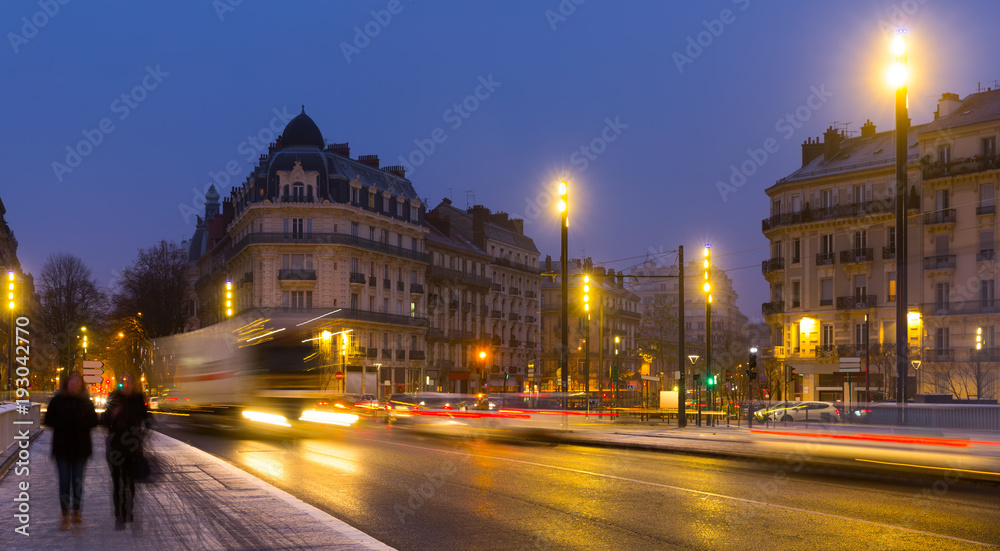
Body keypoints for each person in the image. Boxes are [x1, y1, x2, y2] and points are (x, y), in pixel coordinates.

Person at [43, 372, 99, 531]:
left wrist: (81, 422)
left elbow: (94, 421)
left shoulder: (86, 402)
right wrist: (64, 423)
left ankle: (76, 510)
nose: (74, 385)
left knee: (78, 481)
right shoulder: (57, 401)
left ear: (81, 385)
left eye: (77, 382)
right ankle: (65, 513)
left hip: (81, 448)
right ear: (66, 384)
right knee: (64, 481)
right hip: (62, 449)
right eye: (71, 382)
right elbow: (48, 420)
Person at [100, 373, 150, 530]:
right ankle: (119, 515)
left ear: (133, 384)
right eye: (123, 382)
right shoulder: (113, 397)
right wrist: (111, 415)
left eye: (128, 382)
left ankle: (129, 511)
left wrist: (142, 433)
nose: (125, 384)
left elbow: (148, 419)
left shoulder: (137, 399)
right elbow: (102, 421)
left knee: (130, 482)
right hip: (115, 446)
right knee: (117, 482)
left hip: (132, 447)